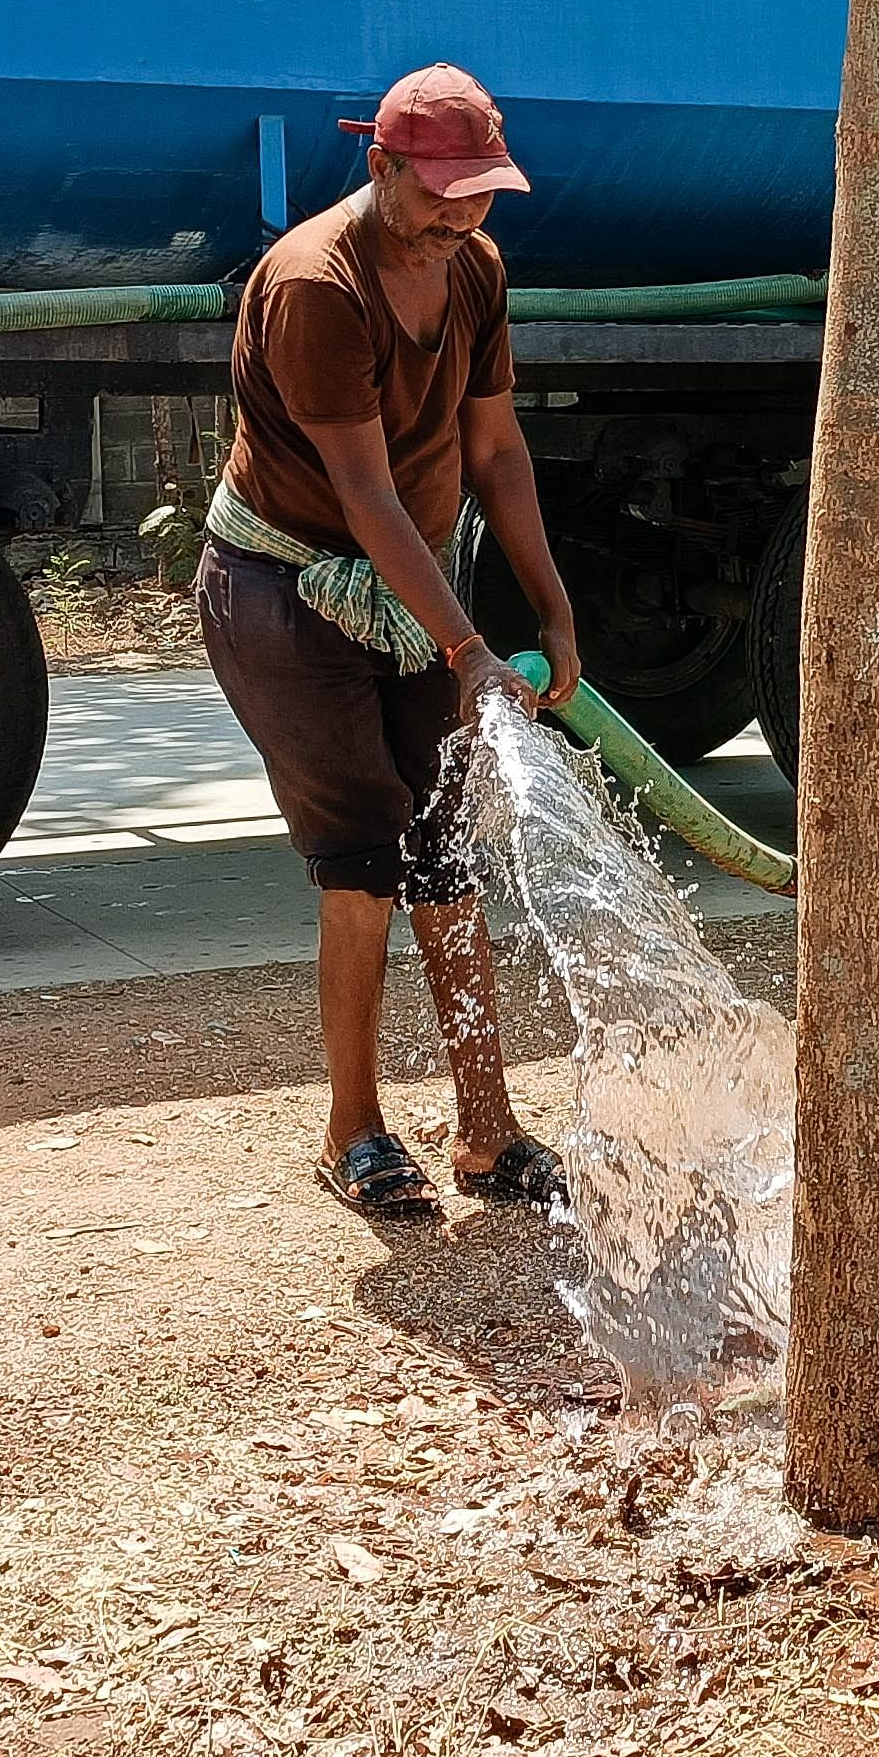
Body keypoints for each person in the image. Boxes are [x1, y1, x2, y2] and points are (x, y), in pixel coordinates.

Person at [198, 63, 585, 1220]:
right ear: (380, 165)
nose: (462, 213)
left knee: (446, 846)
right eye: (442, 191)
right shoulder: (317, 283)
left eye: (483, 192)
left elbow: (498, 453)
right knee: (364, 854)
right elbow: (364, 492)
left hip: (411, 587)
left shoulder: (475, 270)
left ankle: (487, 1128)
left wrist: (551, 608)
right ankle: (353, 1129)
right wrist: (467, 651)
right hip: (290, 589)